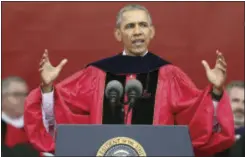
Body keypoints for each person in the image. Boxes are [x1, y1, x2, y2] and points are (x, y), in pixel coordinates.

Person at [24, 4, 235, 157]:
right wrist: (48, 87)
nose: (137, 32)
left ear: (151, 32)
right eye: (129, 26)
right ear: (118, 34)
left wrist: (215, 91)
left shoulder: (169, 75)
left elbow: (198, 122)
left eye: (143, 25)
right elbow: (59, 120)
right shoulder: (96, 74)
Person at [2, 76, 39, 157]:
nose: (23, 99)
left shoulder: (38, 124)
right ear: (2, 98)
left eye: (25, 94)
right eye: (17, 94)